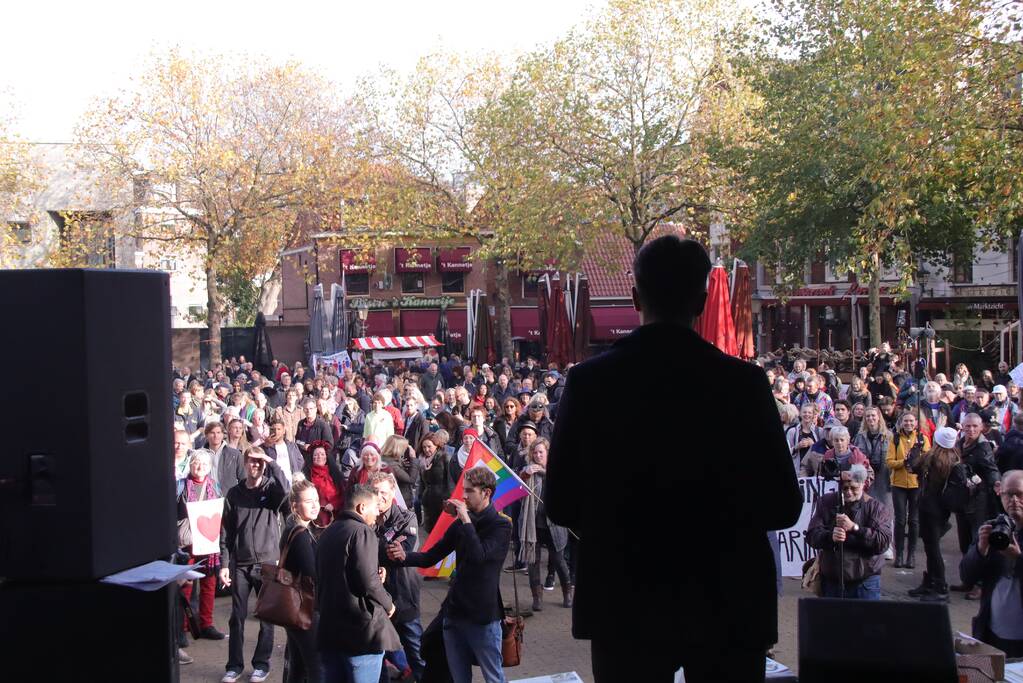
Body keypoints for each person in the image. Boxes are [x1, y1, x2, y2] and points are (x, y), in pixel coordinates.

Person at [545, 236, 802, 683]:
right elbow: (783, 505)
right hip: (728, 600)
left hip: (626, 601)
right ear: (702, 302)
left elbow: (561, 503)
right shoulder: (744, 385)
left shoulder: (589, 384)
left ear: (635, 298)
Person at [387, 466, 512, 683]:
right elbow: (431, 556)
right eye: (464, 489)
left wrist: (466, 521)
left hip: (483, 616)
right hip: (454, 613)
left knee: (493, 677)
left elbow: (479, 556)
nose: (464, 496)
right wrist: (404, 556)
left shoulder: (500, 525)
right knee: (457, 676)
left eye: (470, 491)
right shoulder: (461, 525)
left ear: (486, 493)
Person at [316, 484, 400, 682]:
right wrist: (388, 604)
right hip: (359, 634)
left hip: (330, 630)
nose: (377, 513)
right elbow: (368, 581)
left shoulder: (328, 532)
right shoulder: (362, 531)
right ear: (362, 508)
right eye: (375, 508)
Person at [219, 448, 289, 683]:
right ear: (245, 463)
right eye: (252, 461)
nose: (255, 465)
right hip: (240, 563)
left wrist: (271, 461)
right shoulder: (234, 493)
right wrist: (224, 563)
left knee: (267, 617)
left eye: (259, 462)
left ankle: (261, 664)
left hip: (266, 562)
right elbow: (226, 532)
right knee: (237, 617)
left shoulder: (271, 489)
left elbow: (285, 490)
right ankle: (234, 666)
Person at [960, 470, 1023, 656]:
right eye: (1008, 494)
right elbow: (967, 577)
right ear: (999, 493)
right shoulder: (993, 528)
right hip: (991, 634)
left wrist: (1018, 559)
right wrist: (980, 550)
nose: (1014, 501)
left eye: (1019, 494)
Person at [806, 464, 893, 600]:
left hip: (865, 582)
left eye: (854, 488)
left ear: (863, 485)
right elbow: (812, 535)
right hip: (832, 581)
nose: (848, 492)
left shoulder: (876, 508)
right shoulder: (827, 503)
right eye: (845, 488)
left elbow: (883, 542)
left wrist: (855, 528)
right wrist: (830, 536)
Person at [371, 471, 425, 681]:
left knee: (416, 651)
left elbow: (402, 553)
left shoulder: (406, 517)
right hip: (377, 597)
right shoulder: (366, 518)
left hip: (404, 594)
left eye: (383, 492)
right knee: (379, 654)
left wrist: (374, 550)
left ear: (393, 492)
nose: (379, 497)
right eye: (375, 492)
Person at [176, 449, 226, 642]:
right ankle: (183, 626)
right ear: (191, 464)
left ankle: (206, 624)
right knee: (186, 584)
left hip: (208, 541)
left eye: (204, 464)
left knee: (209, 583)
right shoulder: (181, 486)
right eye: (197, 463)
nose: (200, 467)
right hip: (187, 542)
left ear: (209, 467)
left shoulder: (215, 486)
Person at [518, 437, 572, 612]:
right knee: (533, 562)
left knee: (558, 560)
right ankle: (537, 597)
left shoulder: (558, 471)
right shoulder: (527, 470)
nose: (538, 455)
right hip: (533, 524)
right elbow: (518, 491)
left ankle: (567, 591)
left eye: (541, 452)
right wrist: (525, 475)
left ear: (548, 453)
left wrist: (546, 473)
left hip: (554, 525)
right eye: (535, 452)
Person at [908, 427, 961, 602]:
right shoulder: (954, 458)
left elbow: (913, 467)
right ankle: (930, 581)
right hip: (941, 509)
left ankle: (939, 586)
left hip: (930, 508)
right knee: (931, 547)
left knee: (932, 548)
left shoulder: (932, 458)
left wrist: (915, 451)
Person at [952, 413, 1001, 599]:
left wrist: (997, 483)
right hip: (962, 500)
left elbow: (992, 469)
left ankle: (980, 584)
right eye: (968, 426)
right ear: (963, 427)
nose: (971, 430)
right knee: (964, 542)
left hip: (979, 502)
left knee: (978, 543)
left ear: (981, 428)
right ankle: (968, 579)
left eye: (974, 426)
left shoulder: (983, 447)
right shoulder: (959, 444)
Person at [281, 478, 322, 683]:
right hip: (305, 609)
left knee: (297, 666)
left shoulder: (293, 529)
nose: (315, 505)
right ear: (295, 506)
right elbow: (312, 574)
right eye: (308, 501)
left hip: (292, 608)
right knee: (316, 668)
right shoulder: (300, 535)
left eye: (316, 500)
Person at [887, 412, 930, 569]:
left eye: (911, 421)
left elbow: (927, 460)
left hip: (916, 484)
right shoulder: (895, 439)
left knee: (914, 520)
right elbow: (889, 461)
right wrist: (903, 462)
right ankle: (899, 555)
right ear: (901, 422)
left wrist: (916, 462)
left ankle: (911, 555)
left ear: (916, 423)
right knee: (900, 520)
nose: (908, 424)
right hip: (898, 484)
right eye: (906, 421)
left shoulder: (922, 439)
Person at [302, 440, 345, 532]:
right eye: (316, 455)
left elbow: (343, 495)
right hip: (315, 520)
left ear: (326, 456)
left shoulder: (335, 474)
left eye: (322, 454)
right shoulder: (306, 476)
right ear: (312, 457)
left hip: (336, 518)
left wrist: (334, 504)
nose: (319, 457)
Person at [417, 432, 452, 533]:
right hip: (428, 500)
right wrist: (421, 495)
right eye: (424, 447)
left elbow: (450, 479)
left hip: (442, 500)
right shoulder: (422, 460)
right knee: (430, 530)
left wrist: (448, 497)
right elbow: (422, 481)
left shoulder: (444, 457)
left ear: (436, 445)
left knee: (442, 531)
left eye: (429, 446)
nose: (426, 449)